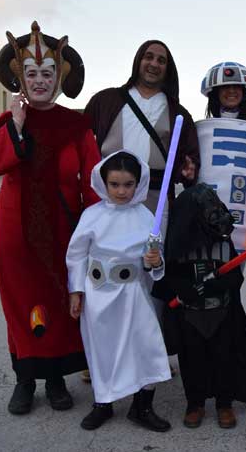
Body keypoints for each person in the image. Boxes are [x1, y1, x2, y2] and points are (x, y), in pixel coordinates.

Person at [0, 21, 100, 415]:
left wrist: (96, 231)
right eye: (31, 74)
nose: (40, 81)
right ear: (21, 79)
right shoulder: (9, 121)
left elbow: (93, 183)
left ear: (58, 79)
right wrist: (15, 125)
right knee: (20, 303)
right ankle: (25, 379)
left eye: (47, 73)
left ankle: (56, 379)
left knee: (60, 301)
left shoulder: (77, 126)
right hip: (15, 233)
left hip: (63, 231)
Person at [66, 151, 172, 432]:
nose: (122, 191)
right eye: (114, 184)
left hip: (133, 295)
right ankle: (103, 403)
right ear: (104, 183)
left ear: (138, 183)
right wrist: (76, 290)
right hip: (99, 295)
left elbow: (154, 259)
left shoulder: (146, 217)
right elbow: (77, 255)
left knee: (145, 347)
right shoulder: (92, 215)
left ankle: (142, 406)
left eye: (128, 184)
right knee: (103, 350)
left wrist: (154, 261)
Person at [158, 183, 246, 429]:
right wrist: (185, 289)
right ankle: (195, 403)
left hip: (221, 313)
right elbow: (169, 276)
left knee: (224, 359)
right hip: (189, 316)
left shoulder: (224, 244)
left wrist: (216, 285)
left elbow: (235, 277)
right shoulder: (177, 245)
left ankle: (224, 403)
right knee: (191, 361)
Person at [84, 39, 199, 219]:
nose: (154, 64)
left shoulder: (178, 114)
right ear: (138, 60)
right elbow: (81, 140)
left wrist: (188, 171)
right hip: (108, 197)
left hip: (155, 200)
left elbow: (190, 157)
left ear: (168, 69)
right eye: (149, 57)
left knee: (150, 239)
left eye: (161, 61)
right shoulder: (105, 101)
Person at [196, 62, 246, 253]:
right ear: (215, 93)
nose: (232, 91)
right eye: (225, 87)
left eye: (237, 86)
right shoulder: (200, 130)